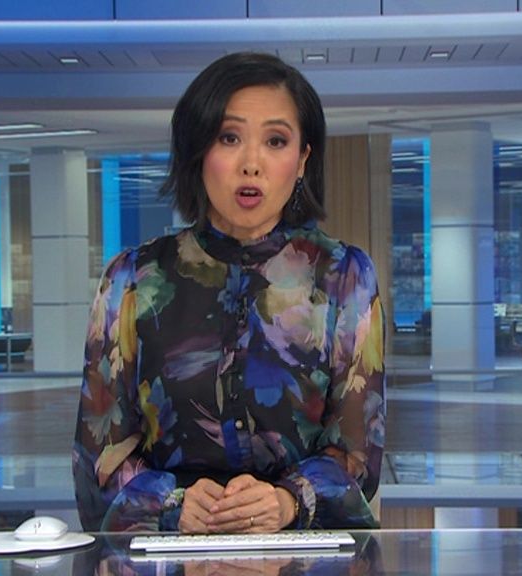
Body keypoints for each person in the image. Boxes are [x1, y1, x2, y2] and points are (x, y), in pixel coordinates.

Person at [73, 52, 386, 534]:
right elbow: (98, 461)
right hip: (167, 552)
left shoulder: (344, 276)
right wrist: (172, 504)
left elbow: (358, 458)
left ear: (302, 160)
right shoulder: (132, 278)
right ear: (197, 150)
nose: (251, 165)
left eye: (276, 141)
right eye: (229, 137)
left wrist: (287, 500)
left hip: (300, 549)